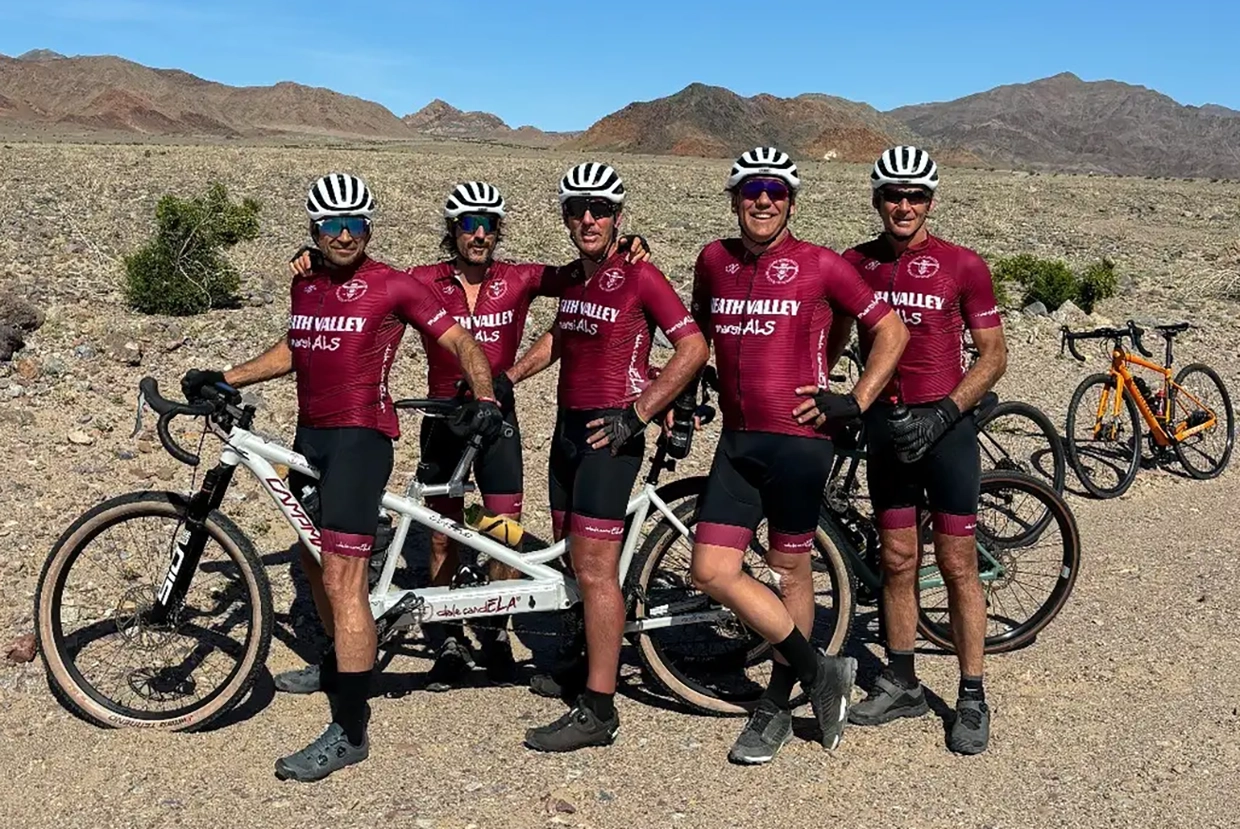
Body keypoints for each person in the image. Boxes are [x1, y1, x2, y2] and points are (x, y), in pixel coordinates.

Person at [181, 172, 503, 782]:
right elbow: (295, 348)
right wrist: (226, 375)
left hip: (362, 438)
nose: (345, 233)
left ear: (369, 226)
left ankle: (350, 730)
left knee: (342, 572)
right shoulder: (305, 282)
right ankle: (341, 663)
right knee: (309, 555)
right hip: (312, 437)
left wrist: (484, 398)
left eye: (356, 222)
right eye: (333, 224)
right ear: (315, 229)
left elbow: (461, 340)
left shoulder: (392, 286)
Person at [284, 182, 649, 693]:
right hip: (443, 420)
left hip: (497, 419)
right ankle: (447, 638)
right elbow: (365, 275)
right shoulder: (422, 279)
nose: (478, 233)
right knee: (441, 533)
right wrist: (313, 259)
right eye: (467, 224)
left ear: (499, 230)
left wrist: (628, 245)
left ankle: (495, 630)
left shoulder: (520, 278)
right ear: (451, 230)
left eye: (488, 224)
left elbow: (588, 272)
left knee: (502, 529)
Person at [687, 147, 909, 765]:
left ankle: (777, 705)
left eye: (777, 191)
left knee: (790, 573)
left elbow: (891, 330)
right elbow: (702, 334)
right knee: (710, 571)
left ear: (791, 201)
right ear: (735, 198)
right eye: (753, 188)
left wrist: (856, 399)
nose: (765, 199)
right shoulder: (713, 260)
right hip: (737, 442)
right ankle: (821, 671)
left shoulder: (820, 265)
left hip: (799, 442)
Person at [504, 161, 709, 752]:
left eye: (599, 209)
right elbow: (561, 337)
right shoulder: (572, 278)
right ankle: (581, 660)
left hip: (611, 435)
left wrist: (640, 411)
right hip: (567, 431)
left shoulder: (641, 275)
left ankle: (600, 707)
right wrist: (511, 376)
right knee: (572, 554)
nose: (587, 218)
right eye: (576, 210)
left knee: (595, 568)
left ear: (618, 216)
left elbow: (692, 347)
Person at [838, 146, 1007, 755]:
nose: (903, 206)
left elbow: (993, 354)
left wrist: (946, 411)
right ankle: (903, 680)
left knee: (958, 564)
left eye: (915, 196)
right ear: (876, 200)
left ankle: (971, 694)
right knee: (898, 559)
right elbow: (826, 340)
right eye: (892, 195)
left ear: (931, 201)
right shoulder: (854, 264)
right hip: (887, 431)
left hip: (947, 431)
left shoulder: (963, 265)